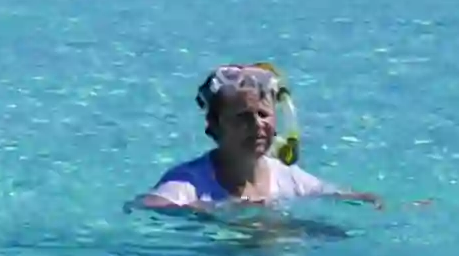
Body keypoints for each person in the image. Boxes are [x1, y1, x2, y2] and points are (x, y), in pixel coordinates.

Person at [136, 64, 378, 210]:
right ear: (213, 127)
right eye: (242, 117)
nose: (257, 125)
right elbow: (146, 206)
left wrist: (379, 202)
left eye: (263, 114)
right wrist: (204, 209)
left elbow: (336, 194)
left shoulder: (287, 177)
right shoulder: (190, 183)